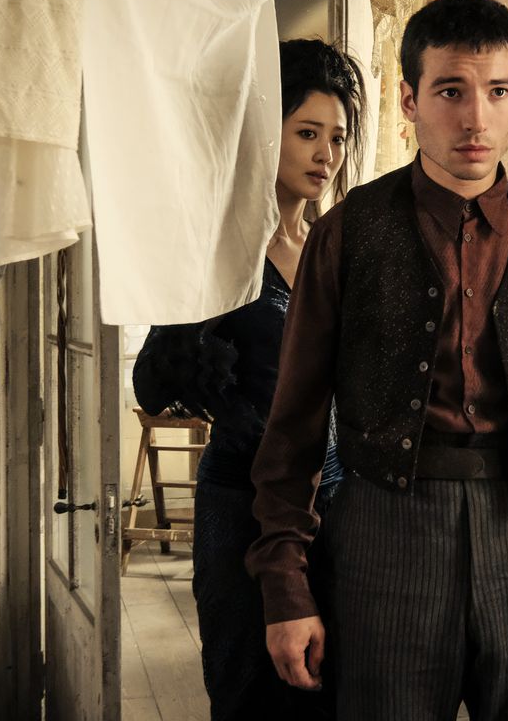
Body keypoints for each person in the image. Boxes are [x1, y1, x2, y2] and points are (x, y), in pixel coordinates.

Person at [246, 0, 508, 720]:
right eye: (451, 91)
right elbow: (293, 428)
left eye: (498, 91)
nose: (476, 119)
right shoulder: (347, 233)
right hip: (384, 537)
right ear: (410, 99)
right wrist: (286, 586)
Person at [133, 38, 365, 721]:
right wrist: (210, 365)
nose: (327, 154)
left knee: (329, 695)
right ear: (267, 133)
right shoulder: (223, 248)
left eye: (337, 137)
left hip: (334, 506)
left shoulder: (333, 249)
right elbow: (150, 383)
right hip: (241, 506)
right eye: (307, 133)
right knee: (248, 697)